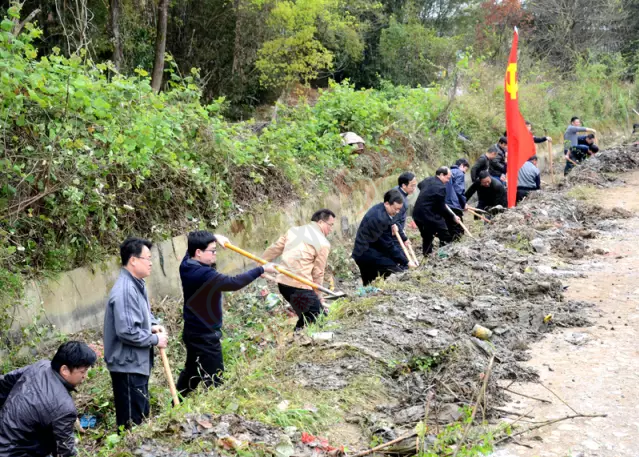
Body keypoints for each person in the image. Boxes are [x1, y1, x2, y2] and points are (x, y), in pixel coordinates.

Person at [178, 231, 277, 396]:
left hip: (192, 330)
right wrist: (260, 269)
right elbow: (233, 283)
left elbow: (192, 244)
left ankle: (177, 401)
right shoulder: (202, 274)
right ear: (198, 252)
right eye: (212, 251)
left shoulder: (186, 264)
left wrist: (215, 237)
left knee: (192, 372)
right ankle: (216, 405)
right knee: (215, 377)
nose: (215, 254)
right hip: (205, 335)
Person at [104, 237, 169, 430]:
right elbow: (127, 332)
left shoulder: (136, 284)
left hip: (133, 364)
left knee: (139, 414)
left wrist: (152, 325)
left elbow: (139, 317)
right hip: (127, 366)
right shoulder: (126, 290)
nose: (151, 263)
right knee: (133, 423)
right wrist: (155, 339)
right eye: (147, 258)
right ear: (133, 260)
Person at [0, 341, 97, 457]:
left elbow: (5, 382)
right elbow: (65, 451)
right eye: (82, 371)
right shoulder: (64, 407)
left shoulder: (41, 366)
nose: (85, 376)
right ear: (65, 370)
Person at [262, 209, 335, 330]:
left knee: (308, 316)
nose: (331, 229)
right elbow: (318, 272)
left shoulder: (294, 231)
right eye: (330, 225)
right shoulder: (323, 243)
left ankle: (297, 339)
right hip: (299, 286)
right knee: (319, 318)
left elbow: (274, 249)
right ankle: (297, 340)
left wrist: (260, 265)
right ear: (321, 222)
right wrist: (318, 296)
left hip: (283, 284)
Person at [352, 189, 415, 285]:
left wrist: (404, 239)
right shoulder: (380, 219)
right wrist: (406, 262)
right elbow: (389, 246)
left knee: (371, 283)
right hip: (366, 254)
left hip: (374, 249)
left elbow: (395, 222)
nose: (397, 212)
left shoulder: (386, 210)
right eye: (396, 209)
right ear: (387, 204)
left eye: (399, 209)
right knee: (398, 273)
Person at [413, 167, 461, 255]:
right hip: (428, 215)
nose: (448, 180)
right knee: (445, 235)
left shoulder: (428, 180)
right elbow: (442, 208)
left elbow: (420, 185)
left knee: (427, 236)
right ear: (442, 175)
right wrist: (453, 217)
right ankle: (443, 256)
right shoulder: (441, 188)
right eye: (448, 178)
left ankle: (427, 256)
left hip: (417, 214)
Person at [445, 159, 469, 240]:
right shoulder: (459, 173)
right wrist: (464, 203)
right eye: (465, 169)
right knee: (458, 230)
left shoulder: (446, 173)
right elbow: (459, 190)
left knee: (448, 227)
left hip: (445, 205)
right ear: (462, 165)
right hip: (453, 204)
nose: (465, 172)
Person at [393, 172, 417, 245]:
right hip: (394, 233)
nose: (414, 188)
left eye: (415, 185)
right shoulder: (400, 200)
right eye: (412, 186)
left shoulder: (396, 189)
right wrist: (404, 238)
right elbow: (395, 221)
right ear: (403, 185)